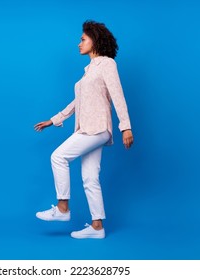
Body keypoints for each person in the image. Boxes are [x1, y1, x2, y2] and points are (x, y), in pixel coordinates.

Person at [34, 20, 134, 239]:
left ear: (94, 40)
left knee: (58, 157)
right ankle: (97, 227)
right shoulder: (89, 71)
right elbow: (77, 102)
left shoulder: (107, 64)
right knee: (90, 177)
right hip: (88, 127)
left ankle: (62, 209)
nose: (78, 43)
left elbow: (118, 95)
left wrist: (125, 127)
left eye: (82, 39)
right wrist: (54, 119)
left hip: (96, 127)